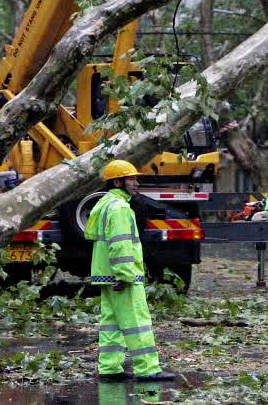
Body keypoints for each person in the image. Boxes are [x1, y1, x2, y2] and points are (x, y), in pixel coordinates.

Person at [87, 159, 177, 382]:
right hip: (122, 276)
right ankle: (148, 369)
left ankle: (109, 368)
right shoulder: (119, 208)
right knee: (137, 321)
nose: (136, 182)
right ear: (117, 181)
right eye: (132, 178)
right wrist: (125, 275)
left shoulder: (105, 204)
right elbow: (120, 244)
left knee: (112, 323)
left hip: (106, 275)